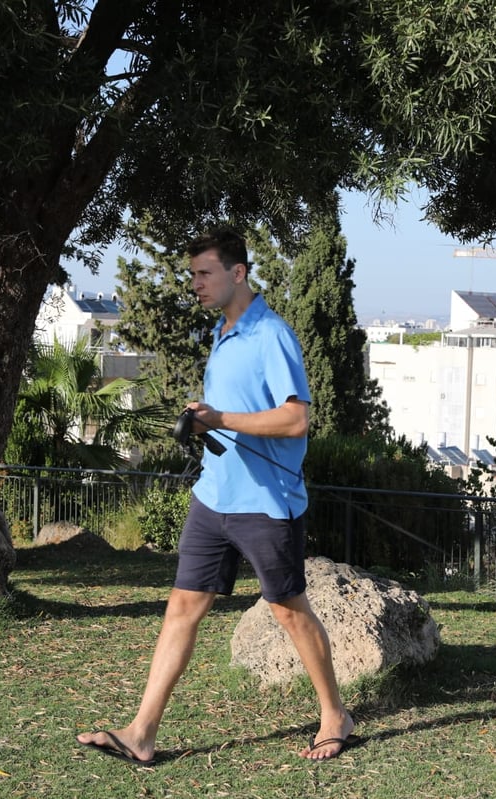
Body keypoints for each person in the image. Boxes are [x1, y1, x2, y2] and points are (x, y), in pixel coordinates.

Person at [77, 227, 355, 765]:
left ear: (238, 273)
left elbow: (296, 419)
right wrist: (206, 419)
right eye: (193, 274)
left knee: (287, 609)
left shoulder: (271, 334)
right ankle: (141, 732)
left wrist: (223, 417)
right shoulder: (222, 333)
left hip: (265, 501)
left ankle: (334, 714)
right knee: (182, 605)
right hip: (214, 494)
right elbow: (239, 407)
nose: (196, 283)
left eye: (204, 273)